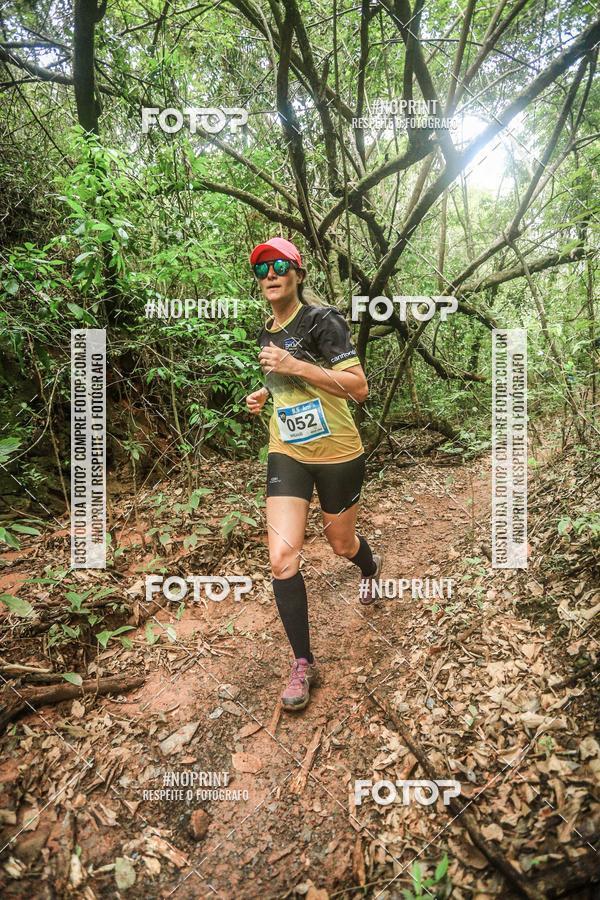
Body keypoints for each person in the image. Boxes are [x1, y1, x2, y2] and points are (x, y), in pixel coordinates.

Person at [245, 237, 382, 712]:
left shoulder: (324, 321)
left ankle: (369, 566)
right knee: (282, 557)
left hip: (338, 452)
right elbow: (284, 382)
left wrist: (294, 364)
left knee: (341, 543)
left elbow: (358, 389)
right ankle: (302, 661)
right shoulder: (265, 331)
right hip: (287, 451)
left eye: (280, 265)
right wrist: (266, 395)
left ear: (298, 273)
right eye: (262, 269)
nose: (270, 274)